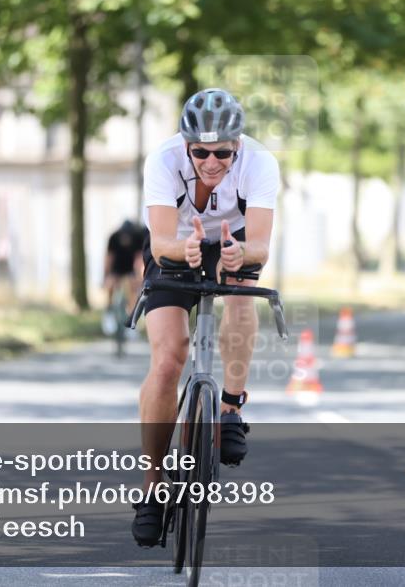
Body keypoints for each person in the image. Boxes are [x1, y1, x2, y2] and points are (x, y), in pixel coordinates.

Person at [131, 88, 280, 547]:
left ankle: (230, 406)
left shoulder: (260, 162)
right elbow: (159, 242)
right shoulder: (161, 160)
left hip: (234, 242)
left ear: (239, 145)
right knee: (168, 358)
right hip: (176, 245)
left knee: (240, 296)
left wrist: (239, 252)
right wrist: (186, 249)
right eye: (200, 151)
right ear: (185, 144)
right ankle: (154, 485)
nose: (212, 162)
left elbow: (261, 246)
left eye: (223, 152)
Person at [103, 219, 145, 317]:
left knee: (133, 287)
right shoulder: (113, 237)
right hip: (116, 269)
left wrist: (140, 277)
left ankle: (131, 314)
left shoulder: (138, 237)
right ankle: (109, 309)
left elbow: (139, 258)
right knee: (110, 284)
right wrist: (105, 276)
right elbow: (109, 258)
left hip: (130, 269)